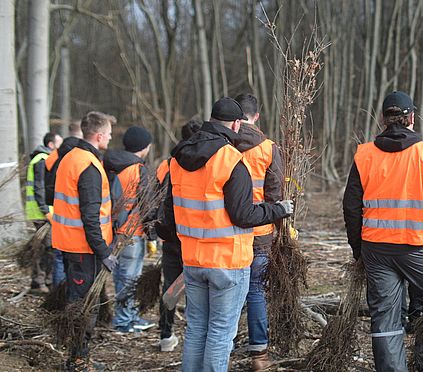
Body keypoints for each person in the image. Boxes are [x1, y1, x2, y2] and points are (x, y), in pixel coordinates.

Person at [157, 97, 293, 372]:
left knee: (196, 330)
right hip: (228, 261)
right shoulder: (232, 161)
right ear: (235, 124)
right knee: (220, 333)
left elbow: (169, 213)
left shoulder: (177, 158)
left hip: (193, 259)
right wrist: (277, 209)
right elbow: (244, 216)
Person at [343, 91, 423, 371]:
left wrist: (358, 247)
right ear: (412, 118)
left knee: (384, 317)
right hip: (417, 248)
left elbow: (351, 207)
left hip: (376, 250)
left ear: (383, 120)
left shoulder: (364, 154)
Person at [52, 111, 119, 371]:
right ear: (99, 135)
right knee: (84, 307)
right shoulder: (88, 166)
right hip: (83, 248)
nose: (111, 139)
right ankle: (78, 361)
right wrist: (103, 251)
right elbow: (90, 217)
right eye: (109, 135)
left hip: (71, 244)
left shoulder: (70, 157)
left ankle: (79, 356)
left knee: (79, 303)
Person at [234, 93, 284, 370]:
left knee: (228, 290)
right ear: (257, 117)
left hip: (225, 231)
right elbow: (275, 195)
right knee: (255, 290)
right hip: (259, 230)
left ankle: (222, 346)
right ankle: (259, 356)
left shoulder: (223, 144)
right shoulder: (268, 148)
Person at [104, 126, 156, 333]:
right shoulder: (138, 169)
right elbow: (147, 205)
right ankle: (125, 322)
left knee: (120, 277)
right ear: (143, 147)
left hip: (111, 231)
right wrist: (152, 236)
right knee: (129, 279)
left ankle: (127, 317)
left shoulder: (108, 164)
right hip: (132, 233)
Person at [155, 119, 201, 352]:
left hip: (170, 236)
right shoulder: (204, 163)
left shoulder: (167, 164)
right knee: (197, 286)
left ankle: (166, 335)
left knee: (170, 286)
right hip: (195, 237)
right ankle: (196, 335)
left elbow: (155, 199)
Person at [45, 121, 84, 284]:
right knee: (69, 260)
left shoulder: (56, 153)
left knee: (59, 256)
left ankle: (57, 294)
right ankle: (63, 295)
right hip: (74, 217)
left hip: (57, 211)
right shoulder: (78, 154)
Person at [26, 132, 63, 294]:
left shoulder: (42, 159)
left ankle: (44, 281)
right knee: (46, 248)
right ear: (51, 145)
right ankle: (39, 282)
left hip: (42, 211)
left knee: (48, 247)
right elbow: (39, 187)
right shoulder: (42, 160)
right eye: (59, 144)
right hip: (41, 213)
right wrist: (45, 210)